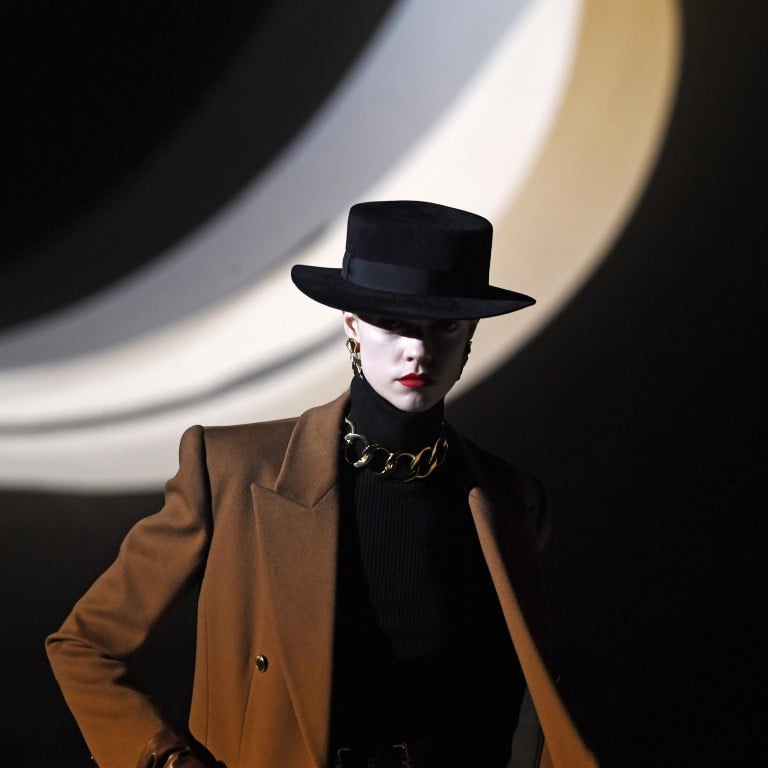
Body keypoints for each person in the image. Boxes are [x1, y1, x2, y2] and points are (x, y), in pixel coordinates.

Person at [46, 201, 574, 768]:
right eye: (392, 321)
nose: (417, 350)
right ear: (351, 323)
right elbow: (85, 645)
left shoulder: (510, 501)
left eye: (444, 325)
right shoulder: (231, 472)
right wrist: (169, 761)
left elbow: (528, 702)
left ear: (471, 332)